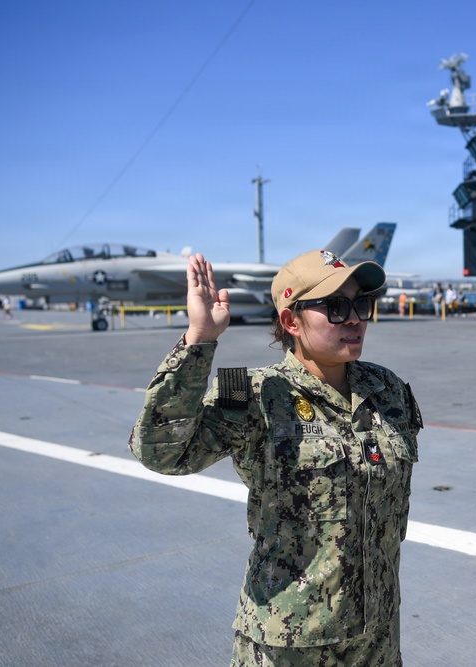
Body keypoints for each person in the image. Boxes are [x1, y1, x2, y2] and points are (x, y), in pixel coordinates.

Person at [128, 249, 422, 666]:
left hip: (377, 635)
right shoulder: (252, 393)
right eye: (336, 306)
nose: (354, 318)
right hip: (290, 641)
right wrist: (200, 340)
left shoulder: (385, 388)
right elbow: (162, 452)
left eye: (361, 303)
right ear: (291, 321)